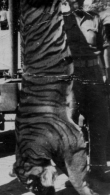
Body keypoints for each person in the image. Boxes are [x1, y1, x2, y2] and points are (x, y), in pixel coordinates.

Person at [63, 0, 110, 182]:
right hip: (72, 76)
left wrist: (107, 77)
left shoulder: (96, 20)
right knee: (71, 123)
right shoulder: (60, 22)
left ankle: (99, 169)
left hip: (94, 74)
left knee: (99, 120)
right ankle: (75, 172)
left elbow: (105, 49)